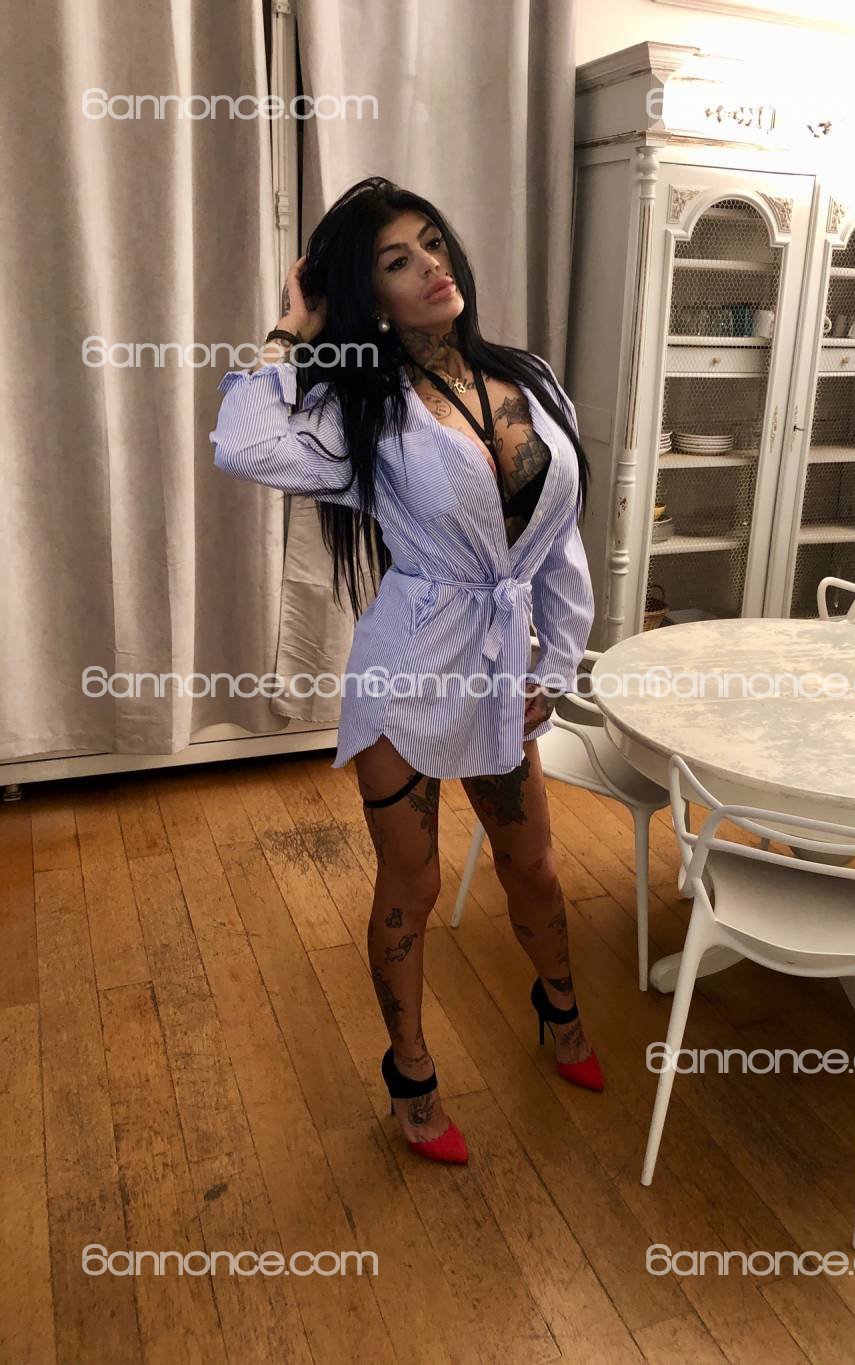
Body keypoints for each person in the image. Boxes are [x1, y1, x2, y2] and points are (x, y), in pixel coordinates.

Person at [210, 176, 602, 1166]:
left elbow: (558, 546)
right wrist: (292, 329)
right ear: (369, 296)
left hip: (504, 664)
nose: (431, 267)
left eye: (433, 243)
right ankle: (411, 1071)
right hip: (408, 670)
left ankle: (560, 1007)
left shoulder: (530, 379)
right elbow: (243, 445)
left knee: (534, 864)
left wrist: (557, 659)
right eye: (397, 261)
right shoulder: (364, 409)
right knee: (412, 883)